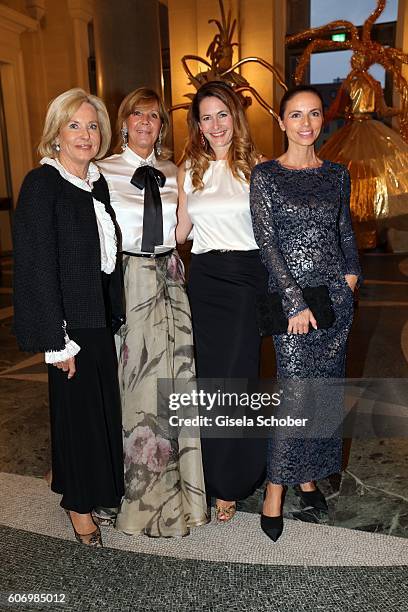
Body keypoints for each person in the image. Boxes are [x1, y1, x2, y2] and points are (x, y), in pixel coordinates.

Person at [13, 88, 125, 547]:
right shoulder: (43, 184)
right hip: (69, 326)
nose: (85, 134)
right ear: (55, 133)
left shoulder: (95, 183)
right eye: (74, 125)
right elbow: (36, 264)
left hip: (97, 316)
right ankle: (79, 508)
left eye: (93, 125)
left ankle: (73, 475)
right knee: (78, 415)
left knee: (95, 412)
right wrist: (55, 340)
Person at [250, 85, 362, 542]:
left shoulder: (336, 174)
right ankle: (274, 489)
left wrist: (351, 280)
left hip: (334, 298)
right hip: (293, 302)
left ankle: (308, 476)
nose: (306, 123)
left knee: (323, 394)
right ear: (281, 122)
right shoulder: (266, 175)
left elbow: (345, 231)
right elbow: (268, 242)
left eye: (314, 114)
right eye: (296, 115)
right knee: (295, 396)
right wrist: (296, 301)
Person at [98, 87, 208, 537]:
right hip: (128, 281)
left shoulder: (173, 171)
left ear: (163, 125)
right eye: (137, 114)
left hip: (171, 280)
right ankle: (133, 494)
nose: (146, 122)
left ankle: (183, 490)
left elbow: (185, 226)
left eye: (155, 116)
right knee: (134, 387)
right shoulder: (101, 171)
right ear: (123, 122)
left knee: (176, 385)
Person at [177, 80, 268, 522]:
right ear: (197, 123)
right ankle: (214, 477)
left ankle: (233, 482)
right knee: (211, 383)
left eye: (222, 115)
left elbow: (276, 236)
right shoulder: (188, 168)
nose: (215, 125)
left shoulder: (260, 168)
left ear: (236, 116)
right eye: (206, 117)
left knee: (238, 380)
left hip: (246, 278)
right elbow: (179, 232)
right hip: (206, 279)